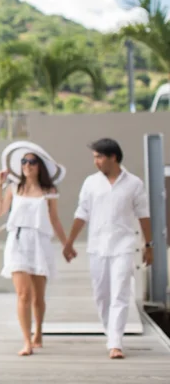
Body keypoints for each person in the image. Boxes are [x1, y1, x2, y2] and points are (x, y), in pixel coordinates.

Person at [63, 138, 153, 360]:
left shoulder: (134, 183)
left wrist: (148, 245)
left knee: (120, 294)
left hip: (123, 246)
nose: (95, 162)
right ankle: (110, 333)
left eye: (99, 157)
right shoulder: (90, 183)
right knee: (102, 296)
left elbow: (143, 216)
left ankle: (116, 342)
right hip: (97, 247)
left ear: (113, 157)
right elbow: (81, 213)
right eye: (94, 157)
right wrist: (69, 242)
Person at [0, 141, 68, 357]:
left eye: (32, 161)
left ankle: (39, 332)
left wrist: (67, 245)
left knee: (38, 298)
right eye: (24, 161)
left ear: (40, 166)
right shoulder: (14, 188)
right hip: (17, 241)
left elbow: (55, 220)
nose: (27, 165)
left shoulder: (49, 191)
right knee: (23, 294)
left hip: (40, 243)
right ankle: (26, 341)